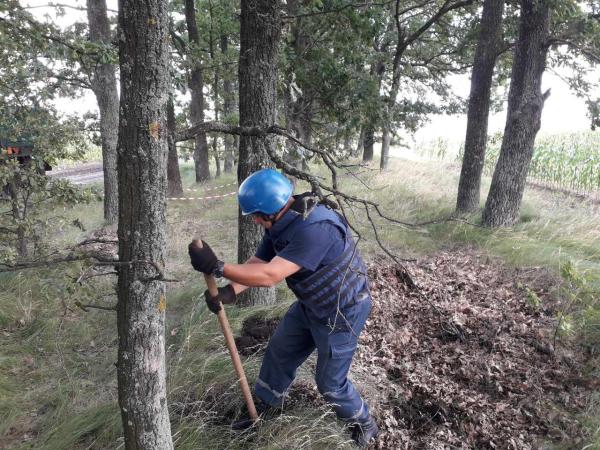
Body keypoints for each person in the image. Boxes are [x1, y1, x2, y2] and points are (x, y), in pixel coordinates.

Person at [188, 168, 378, 447]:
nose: (253, 220)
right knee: (279, 352)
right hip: (311, 306)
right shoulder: (281, 222)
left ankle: (364, 423)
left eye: (255, 214)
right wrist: (230, 290)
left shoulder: (316, 228)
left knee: (330, 384)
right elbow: (260, 263)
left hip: (342, 312)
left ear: (270, 210)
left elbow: (270, 276)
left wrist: (218, 267)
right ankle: (265, 407)